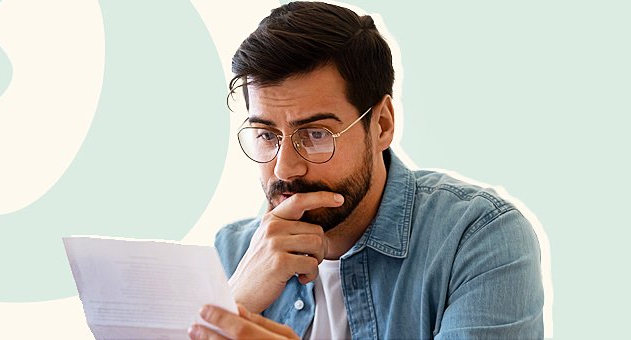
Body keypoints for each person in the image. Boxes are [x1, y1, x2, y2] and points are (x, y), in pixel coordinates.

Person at [189, 1, 544, 339]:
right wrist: (232, 303)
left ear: (382, 125)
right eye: (267, 135)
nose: (286, 168)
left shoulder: (477, 239)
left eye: (316, 134)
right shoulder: (232, 252)